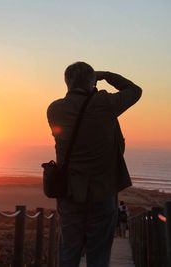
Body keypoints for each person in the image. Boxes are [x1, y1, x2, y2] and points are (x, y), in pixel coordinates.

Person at [46, 62, 142, 267]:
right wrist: (106, 75)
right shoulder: (105, 104)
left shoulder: (55, 109)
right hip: (103, 190)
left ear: (66, 82)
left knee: (68, 249)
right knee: (98, 252)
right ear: (92, 81)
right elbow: (135, 91)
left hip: (69, 191)